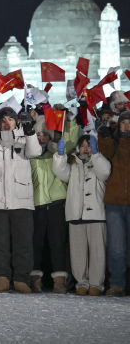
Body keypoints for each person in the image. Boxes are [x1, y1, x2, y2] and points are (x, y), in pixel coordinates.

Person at [0, 105, 42, 293]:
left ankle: (21, 279)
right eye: (2, 120)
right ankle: (2, 278)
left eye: (10, 119)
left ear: (16, 122)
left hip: (21, 200)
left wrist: (29, 130)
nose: (6, 123)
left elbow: (35, 152)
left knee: (23, 243)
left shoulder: (24, 139)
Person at [52, 134, 110, 295]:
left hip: (96, 214)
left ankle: (96, 284)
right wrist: (60, 156)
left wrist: (96, 155)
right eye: (83, 145)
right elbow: (60, 171)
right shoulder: (74, 164)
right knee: (77, 252)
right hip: (75, 214)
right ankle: (81, 283)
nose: (86, 148)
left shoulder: (100, 161)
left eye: (89, 145)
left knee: (98, 252)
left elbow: (105, 173)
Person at [28, 108, 77, 292]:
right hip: (37, 204)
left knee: (58, 243)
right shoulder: (29, 155)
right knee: (36, 243)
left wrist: (69, 121)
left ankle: (59, 280)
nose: (41, 137)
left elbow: (71, 139)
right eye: (38, 134)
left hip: (56, 203)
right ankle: (35, 279)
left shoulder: (57, 152)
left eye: (44, 134)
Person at [99, 110, 130, 295]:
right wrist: (105, 136)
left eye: (129, 123)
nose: (127, 126)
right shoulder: (114, 142)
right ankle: (116, 284)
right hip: (114, 203)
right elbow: (106, 152)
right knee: (116, 248)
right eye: (124, 123)